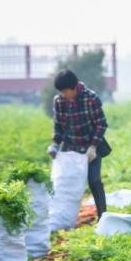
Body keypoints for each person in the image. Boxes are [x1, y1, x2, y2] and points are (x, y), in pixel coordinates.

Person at [47, 70, 110, 219]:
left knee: (94, 181)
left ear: (74, 87)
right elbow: (59, 126)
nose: (63, 94)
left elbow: (101, 124)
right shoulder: (59, 101)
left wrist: (93, 147)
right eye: (60, 92)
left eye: (65, 91)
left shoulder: (91, 98)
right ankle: (64, 217)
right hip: (71, 149)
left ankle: (103, 216)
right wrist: (55, 144)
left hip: (91, 147)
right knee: (66, 183)